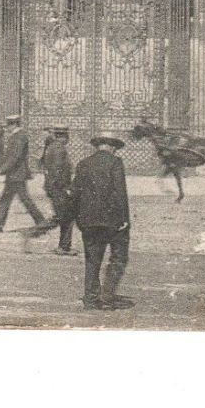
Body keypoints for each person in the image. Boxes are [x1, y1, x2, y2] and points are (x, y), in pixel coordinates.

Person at [74, 132, 133, 310]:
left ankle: (91, 298)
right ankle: (107, 295)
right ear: (112, 146)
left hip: (88, 221)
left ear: (98, 145)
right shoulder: (115, 163)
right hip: (112, 220)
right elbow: (120, 192)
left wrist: (79, 218)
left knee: (92, 259)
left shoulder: (83, 163)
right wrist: (124, 219)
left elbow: (75, 192)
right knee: (118, 257)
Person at [0, 114, 46, 232]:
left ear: (14, 125)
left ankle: (41, 221)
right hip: (14, 174)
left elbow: (15, 156)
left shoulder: (20, 136)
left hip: (18, 174)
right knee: (7, 198)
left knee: (23, 198)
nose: (7, 128)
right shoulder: (16, 135)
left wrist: (2, 169)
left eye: (8, 125)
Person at [40, 126, 76, 255]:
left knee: (63, 216)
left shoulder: (51, 147)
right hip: (59, 189)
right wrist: (65, 188)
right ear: (64, 137)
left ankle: (63, 245)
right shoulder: (59, 149)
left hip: (54, 188)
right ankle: (63, 246)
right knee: (66, 217)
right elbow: (57, 170)